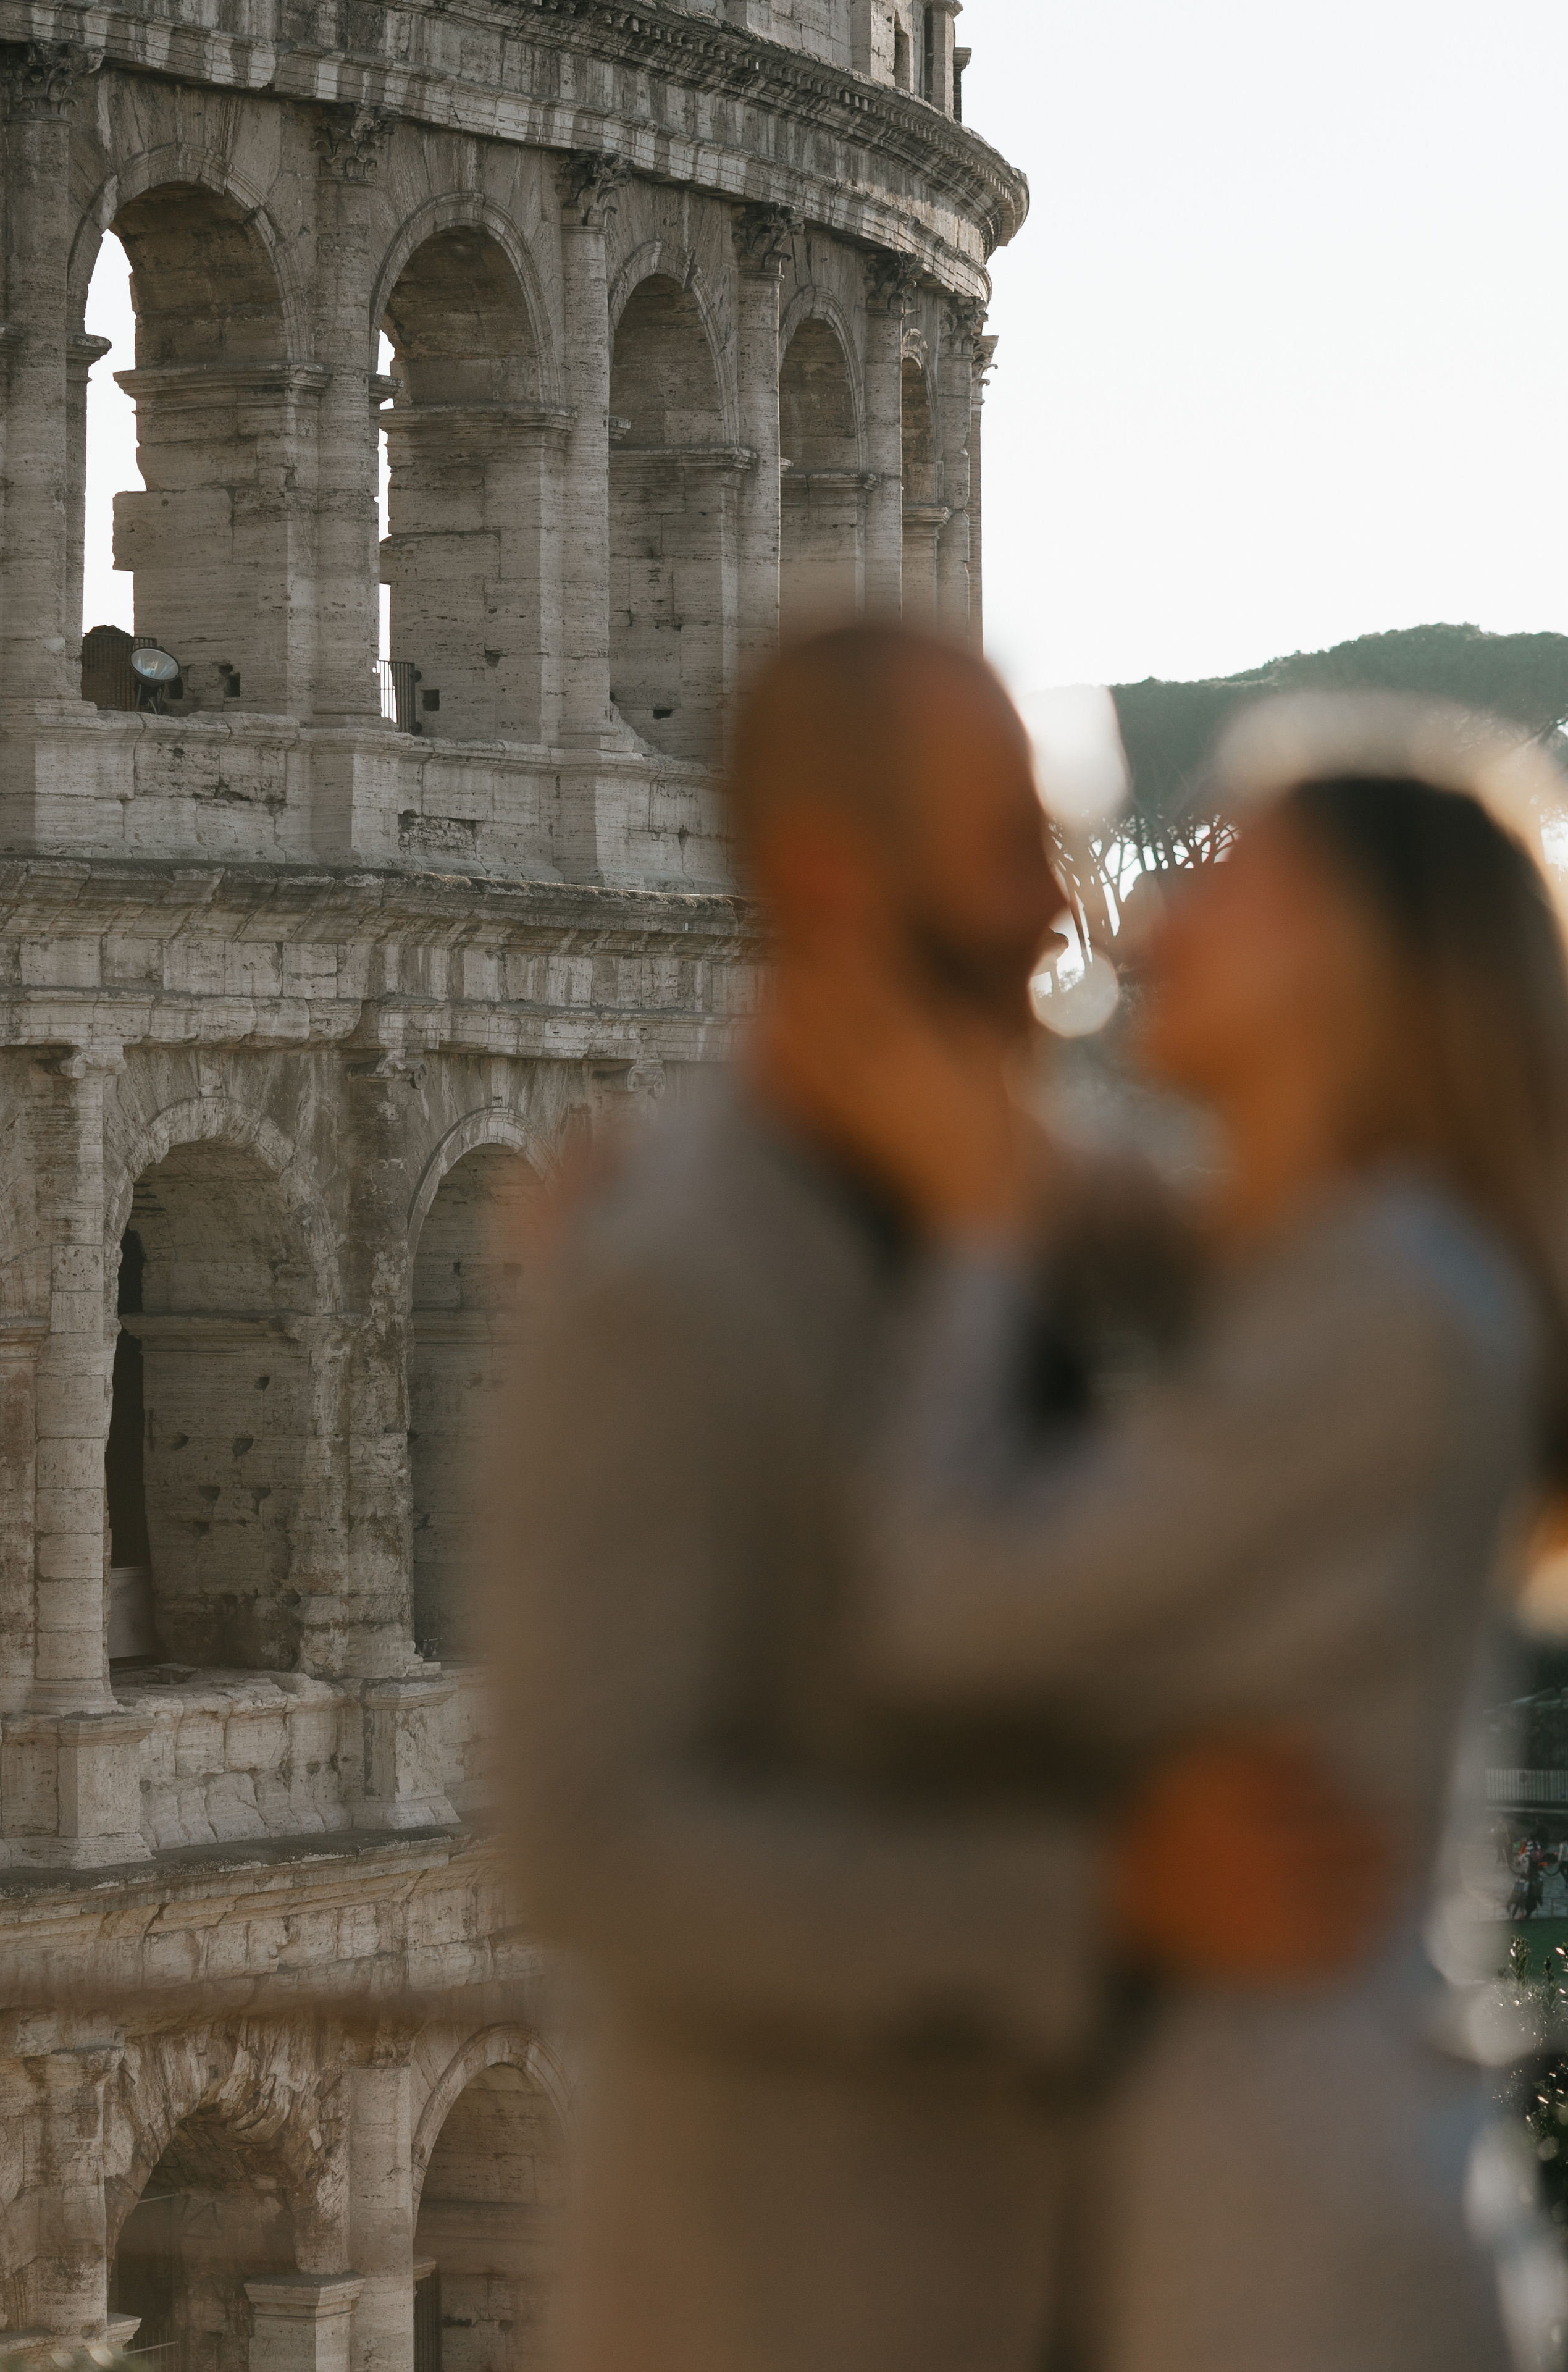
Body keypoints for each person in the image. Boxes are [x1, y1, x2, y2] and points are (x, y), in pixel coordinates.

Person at [500, 633, 1392, 2372]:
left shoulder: (1005, 1185)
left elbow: (1316, 1276)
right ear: (839, 876)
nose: (1073, 910)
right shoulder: (664, 1287)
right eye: (1012, 849)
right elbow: (595, 1839)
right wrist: (1104, 1902)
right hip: (800, 2294)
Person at [778, 694, 1568, 2371]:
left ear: (1353, 970)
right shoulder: (1358, 1274)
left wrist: (980, 1232)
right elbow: (1158, 1227)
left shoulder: (1385, 1304)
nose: (1146, 915)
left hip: (1281, 2225)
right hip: (1275, 2185)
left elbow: (944, 1603)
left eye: (1233, 885)